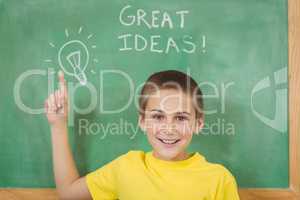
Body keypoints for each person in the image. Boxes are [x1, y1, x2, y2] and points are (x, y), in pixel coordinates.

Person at [44, 70, 240, 200]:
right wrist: (58, 125)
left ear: (198, 124)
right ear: (142, 121)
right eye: (158, 116)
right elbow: (68, 192)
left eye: (180, 118)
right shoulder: (126, 167)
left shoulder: (219, 179)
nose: (169, 128)